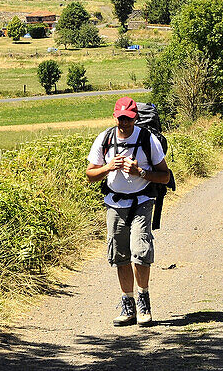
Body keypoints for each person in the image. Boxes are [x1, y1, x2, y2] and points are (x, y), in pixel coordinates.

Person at [86, 96, 172, 327]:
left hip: (142, 200)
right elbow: (90, 174)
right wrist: (108, 167)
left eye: (129, 119)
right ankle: (128, 306)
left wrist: (140, 172)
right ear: (115, 116)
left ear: (135, 118)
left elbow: (165, 176)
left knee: (141, 251)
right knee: (119, 255)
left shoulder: (147, 139)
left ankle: (144, 303)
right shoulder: (104, 139)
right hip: (115, 203)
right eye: (121, 118)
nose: (124, 122)